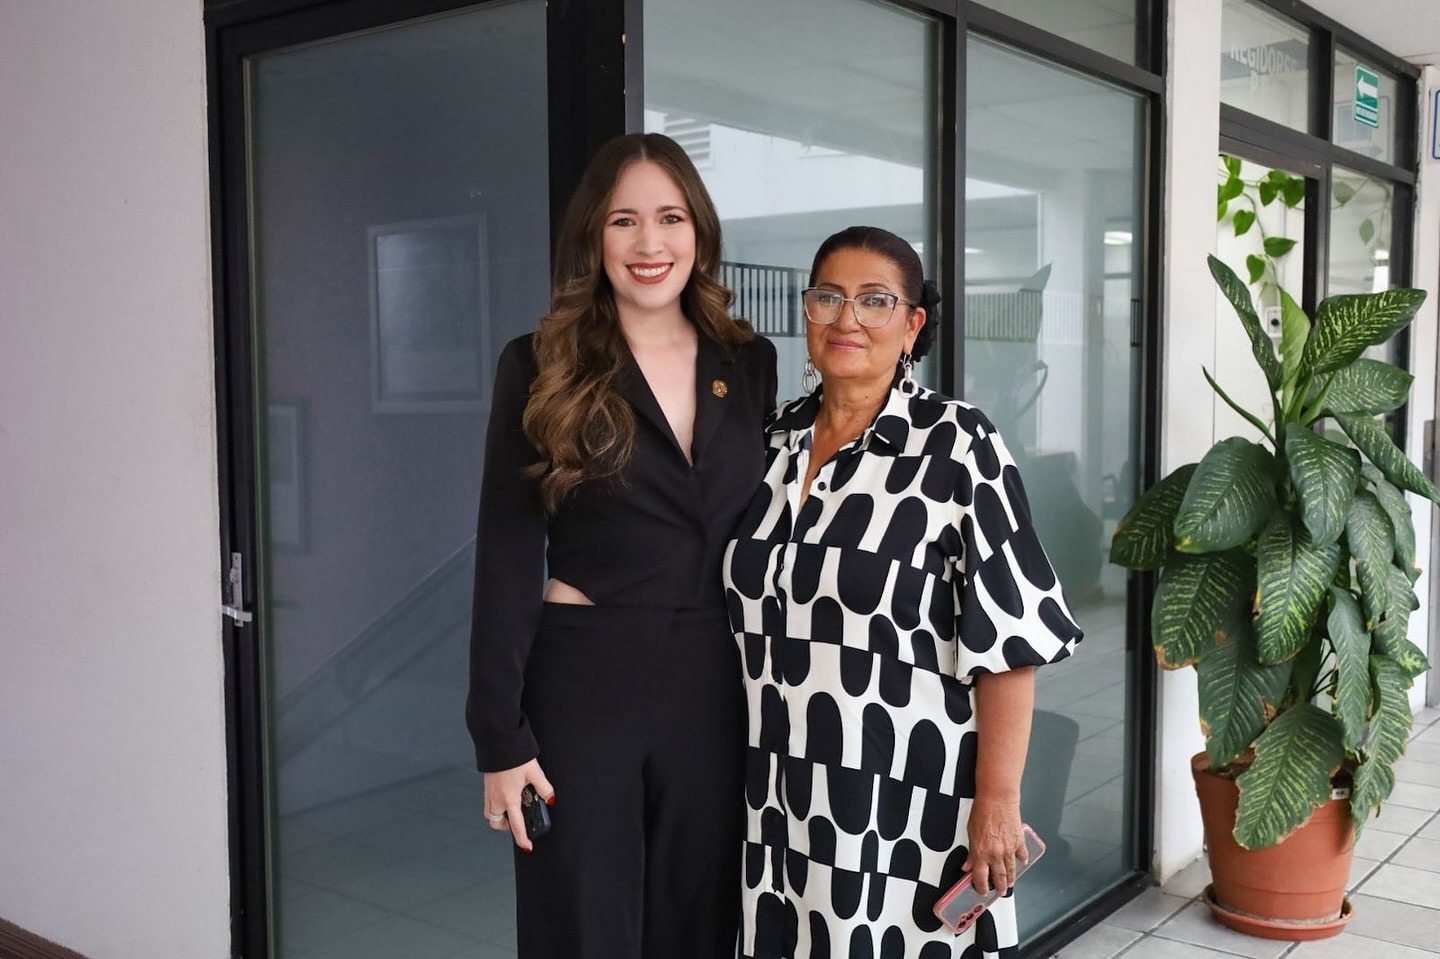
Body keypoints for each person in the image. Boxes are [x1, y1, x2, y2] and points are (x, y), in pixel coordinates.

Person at [722, 226, 1083, 958]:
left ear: (913, 324)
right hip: (773, 802)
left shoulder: (957, 445)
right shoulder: (767, 441)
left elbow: (1011, 642)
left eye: (874, 300)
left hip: (902, 803)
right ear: (807, 312)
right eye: (829, 297)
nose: (847, 318)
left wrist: (998, 803)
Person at [466, 132, 777, 958]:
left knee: (698, 921)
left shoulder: (749, 363)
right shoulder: (540, 363)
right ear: (592, 236)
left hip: (714, 676)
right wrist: (499, 735)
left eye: (670, 217)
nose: (649, 243)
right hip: (584, 677)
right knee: (581, 923)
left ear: (699, 231)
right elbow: (506, 552)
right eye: (623, 220)